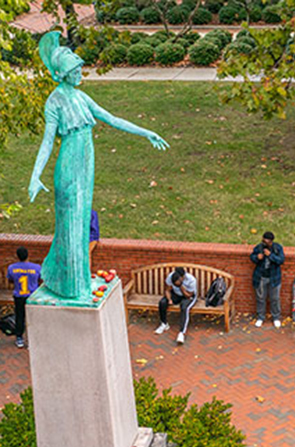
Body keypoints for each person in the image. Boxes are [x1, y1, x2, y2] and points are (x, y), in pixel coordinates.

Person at [28, 31, 168, 303]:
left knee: (80, 225)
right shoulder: (54, 102)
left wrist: (146, 132)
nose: (80, 72)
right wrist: (35, 176)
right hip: (68, 167)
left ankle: (78, 282)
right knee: (69, 224)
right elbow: (47, 142)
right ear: (61, 73)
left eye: (80, 68)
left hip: (86, 165)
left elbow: (111, 118)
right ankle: (68, 286)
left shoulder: (82, 97)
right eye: (75, 69)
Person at [7, 247, 42, 348]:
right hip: (32, 297)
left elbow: (10, 281)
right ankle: (34, 338)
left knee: (20, 317)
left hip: (19, 296)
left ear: (17, 256)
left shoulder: (12, 268)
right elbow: (40, 280)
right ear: (28, 255)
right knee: (34, 318)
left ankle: (19, 338)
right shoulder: (36, 267)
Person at [250, 231, 285, 328]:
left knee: (275, 298)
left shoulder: (277, 248)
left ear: (271, 241)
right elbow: (252, 257)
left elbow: (281, 260)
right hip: (261, 277)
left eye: (267, 242)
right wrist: (257, 257)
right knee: (260, 298)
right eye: (263, 241)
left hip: (274, 278)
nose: (265, 243)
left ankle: (276, 317)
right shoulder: (259, 247)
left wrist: (270, 255)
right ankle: (261, 317)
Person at [155, 267, 197, 344]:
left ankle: (182, 333)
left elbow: (188, 296)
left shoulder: (191, 280)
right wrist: (169, 299)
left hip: (188, 296)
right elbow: (167, 290)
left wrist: (181, 287)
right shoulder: (171, 277)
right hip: (176, 294)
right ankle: (164, 324)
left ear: (182, 277)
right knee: (162, 302)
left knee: (184, 308)